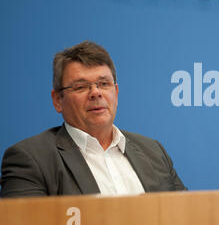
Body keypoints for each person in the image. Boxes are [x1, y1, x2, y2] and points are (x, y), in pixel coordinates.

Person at [1, 41, 186, 197]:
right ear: (58, 100)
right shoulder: (31, 159)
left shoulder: (154, 152)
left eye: (104, 84)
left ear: (116, 92)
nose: (96, 93)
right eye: (81, 87)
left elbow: (188, 217)